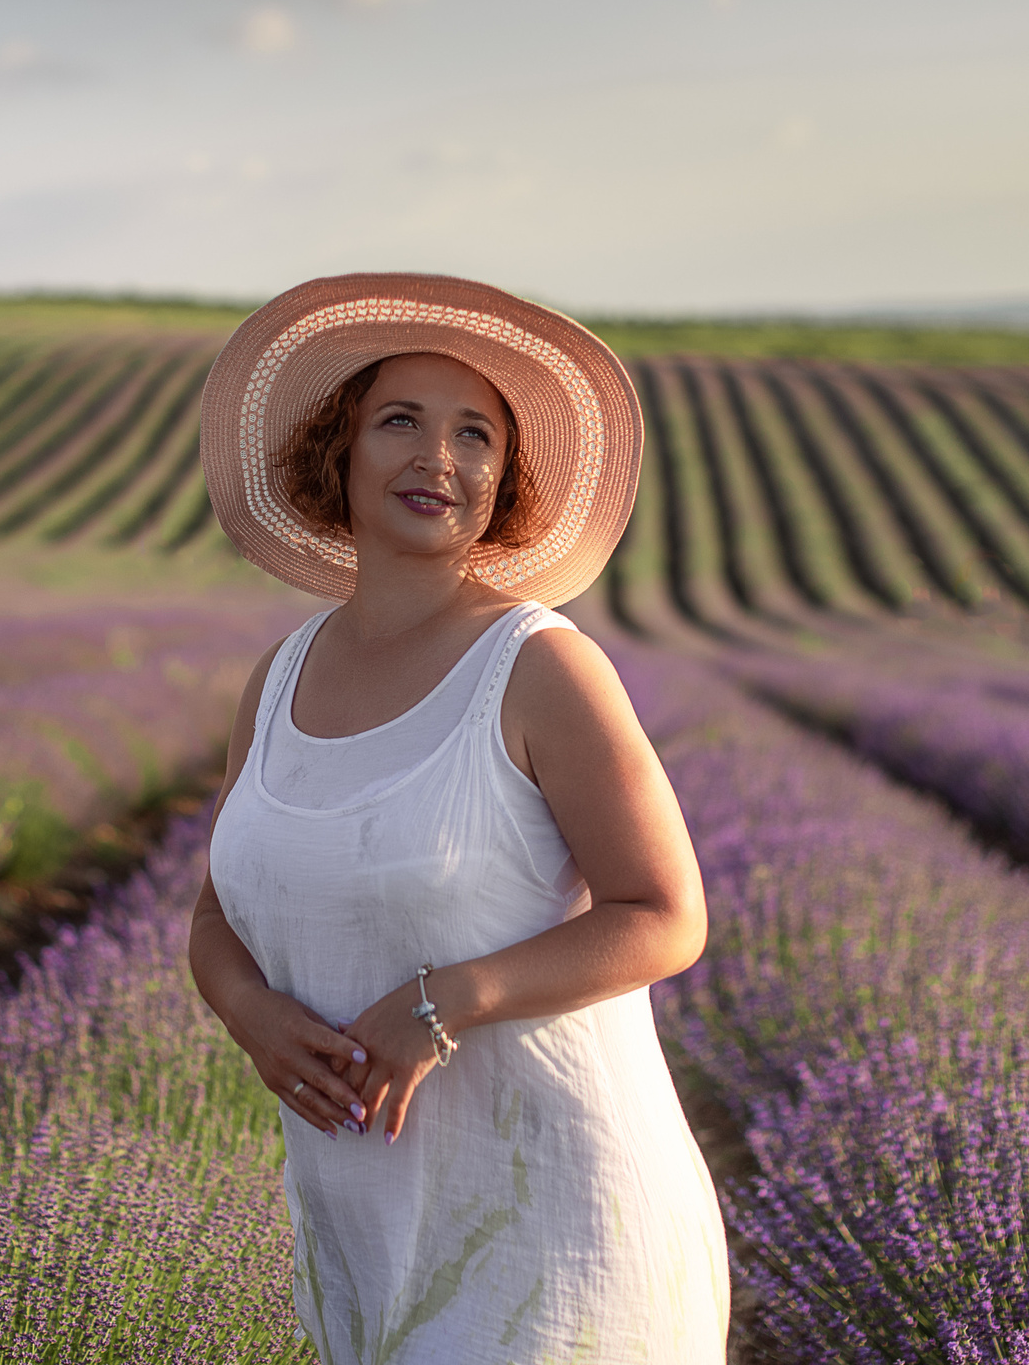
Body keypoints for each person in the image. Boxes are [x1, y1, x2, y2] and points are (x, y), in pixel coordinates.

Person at [187, 273, 731, 1363]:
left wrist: (442, 1004)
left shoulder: (537, 669)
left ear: (502, 481)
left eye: (475, 435)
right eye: (401, 421)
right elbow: (219, 906)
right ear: (336, 453)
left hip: (551, 1220)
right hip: (365, 1219)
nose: (439, 456)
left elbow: (665, 915)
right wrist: (247, 1011)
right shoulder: (281, 675)